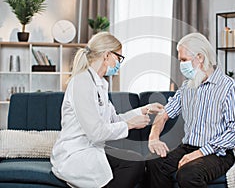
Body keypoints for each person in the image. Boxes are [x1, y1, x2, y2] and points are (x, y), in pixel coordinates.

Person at [51, 32, 164, 188]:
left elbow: (113, 119)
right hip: (75, 152)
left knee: (134, 160)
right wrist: (130, 125)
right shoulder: (82, 82)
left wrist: (142, 110)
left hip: (91, 148)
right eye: (119, 58)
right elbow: (96, 133)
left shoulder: (100, 84)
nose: (119, 63)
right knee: (132, 164)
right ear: (107, 55)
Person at [146, 32, 235, 188]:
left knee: (187, 174)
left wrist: (200, 153)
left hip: (218, 153)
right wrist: (154, 136)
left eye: (184, 60)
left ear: (200, 57)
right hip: (188, 147)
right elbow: (164, 113)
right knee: (155, 163)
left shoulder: (229, 87)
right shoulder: (187, 86)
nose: (181, 65)